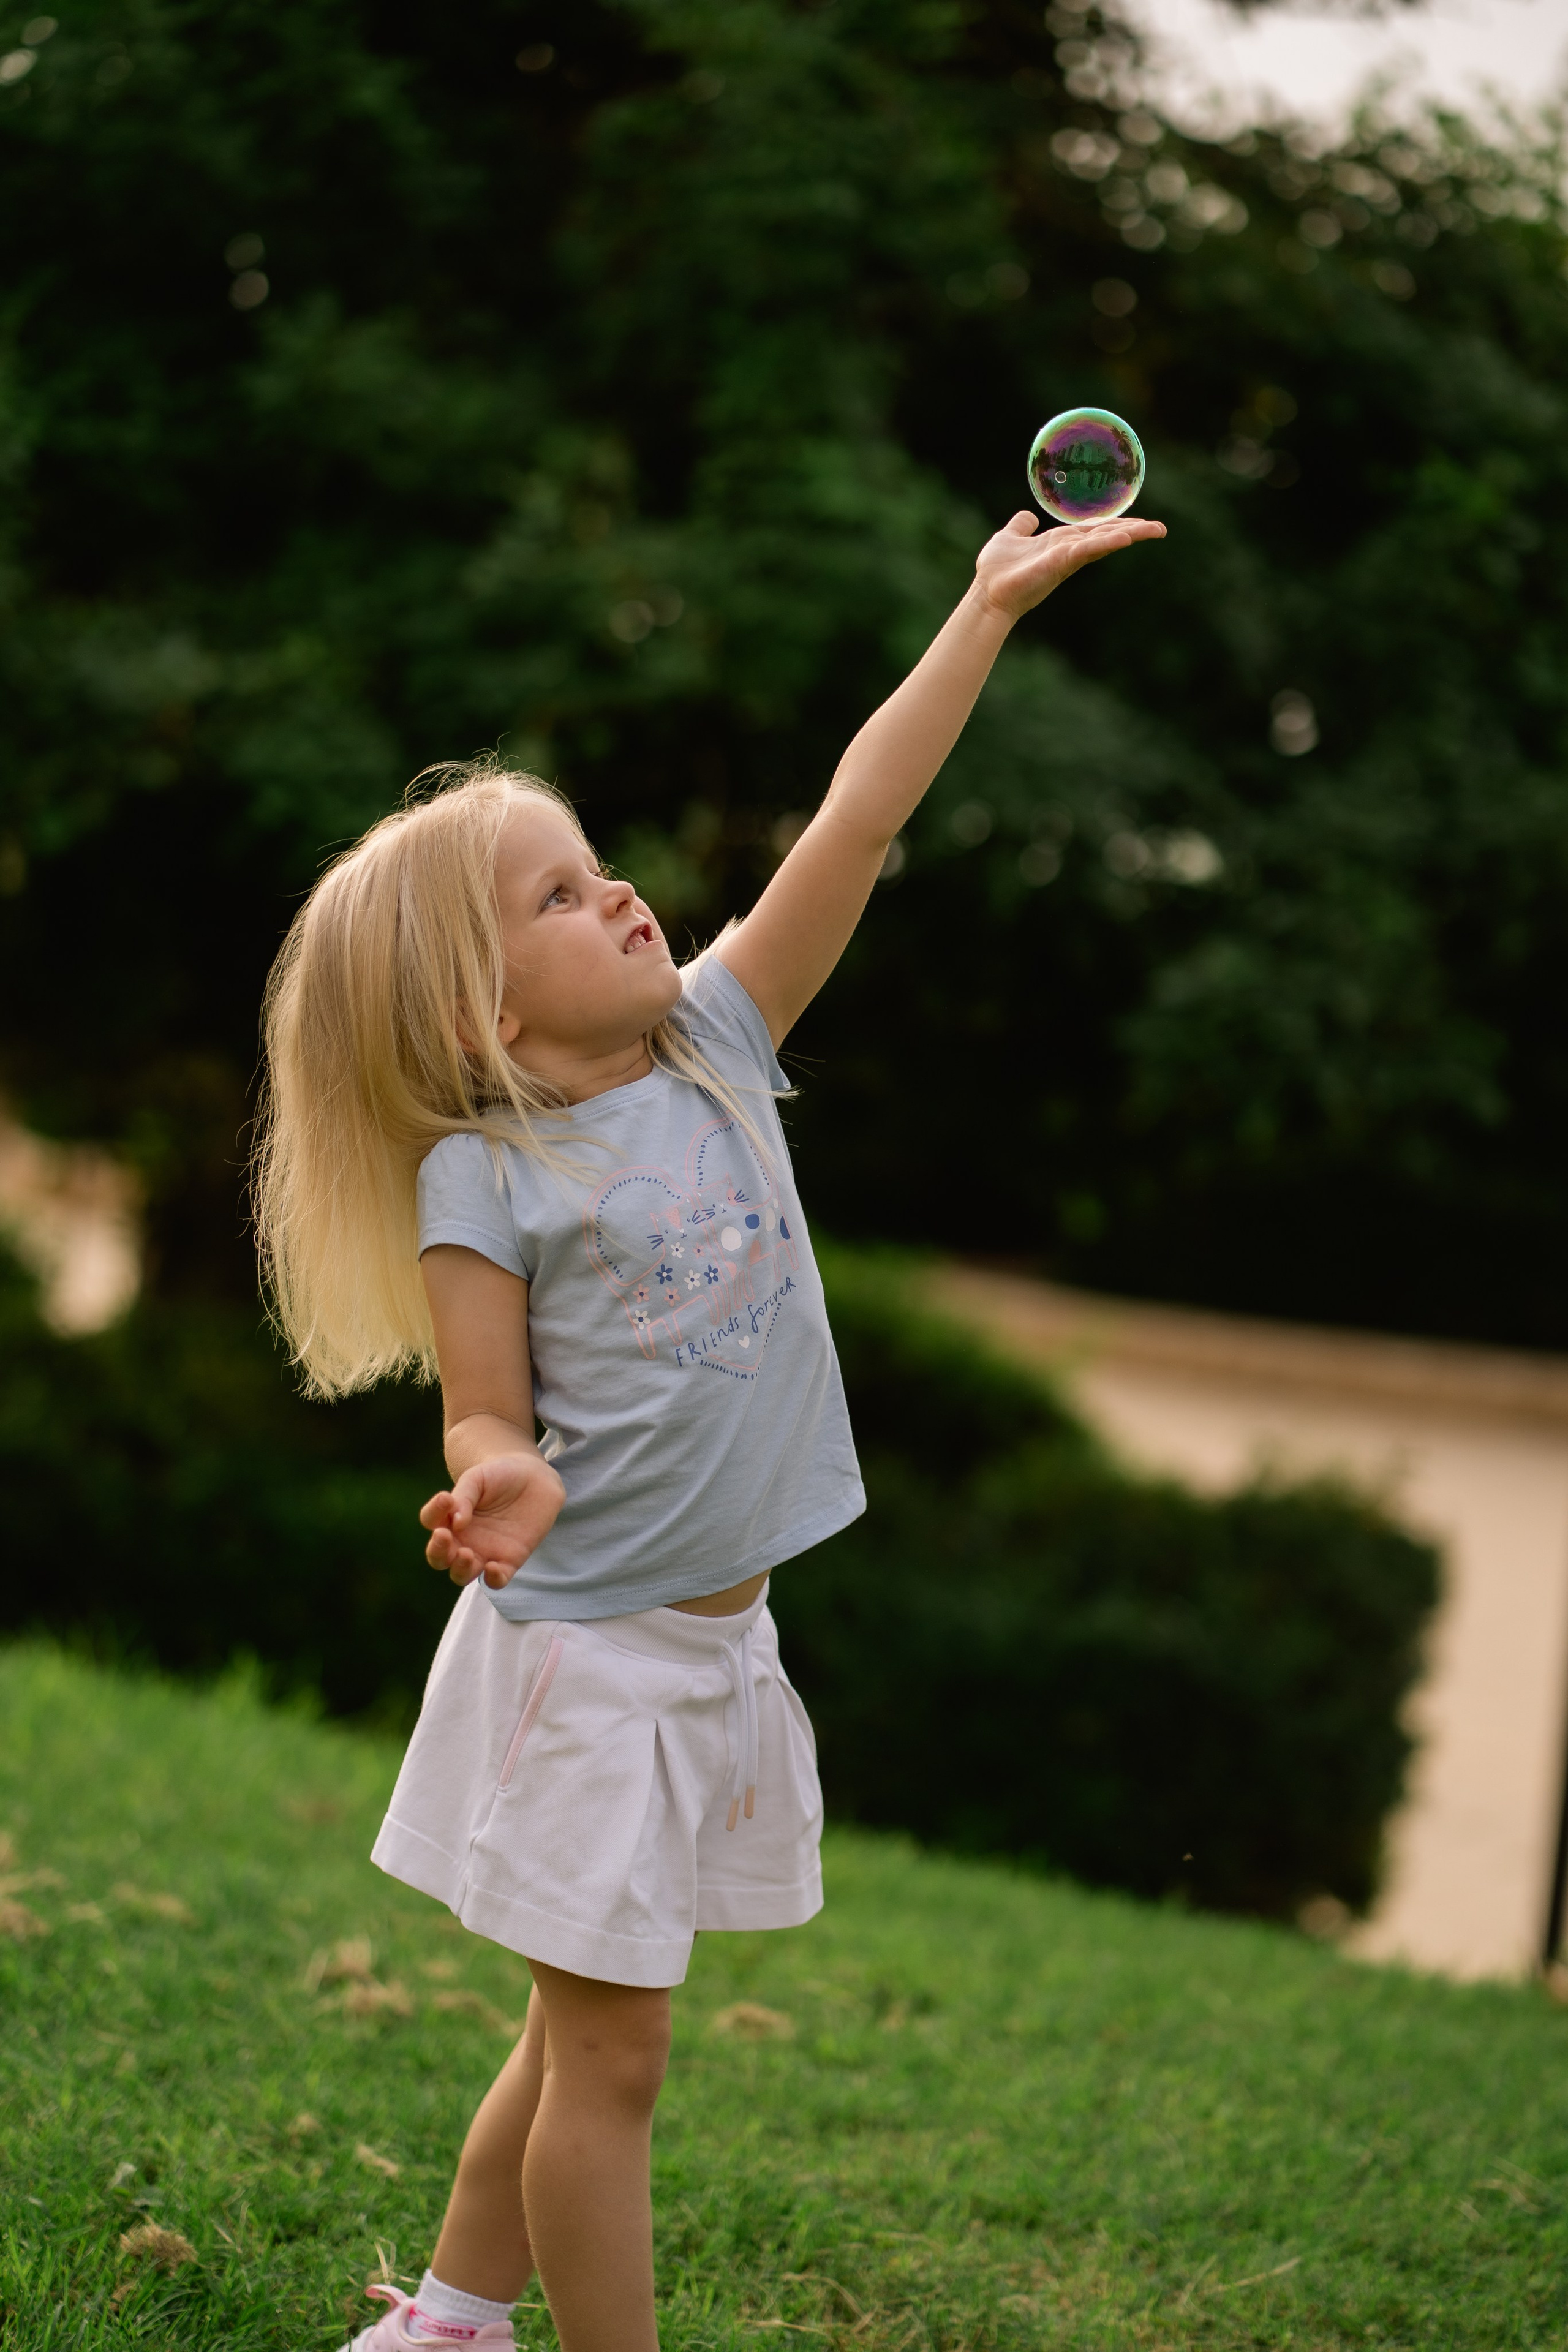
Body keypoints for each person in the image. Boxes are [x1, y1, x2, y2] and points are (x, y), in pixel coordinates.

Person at [253, 503, 1164, 2352]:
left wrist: (982, 616)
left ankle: (445, 2322)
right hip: (585, 1660)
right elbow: (486, 1407)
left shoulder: (720, 1039)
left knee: (575, 2033)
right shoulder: (481, 1177)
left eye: (602, 867)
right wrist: (496, 1477)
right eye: (562, 895)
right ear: (478, 1007)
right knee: (618, 2057)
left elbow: (859, 819)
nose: (620, 895)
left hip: (711, 1643)